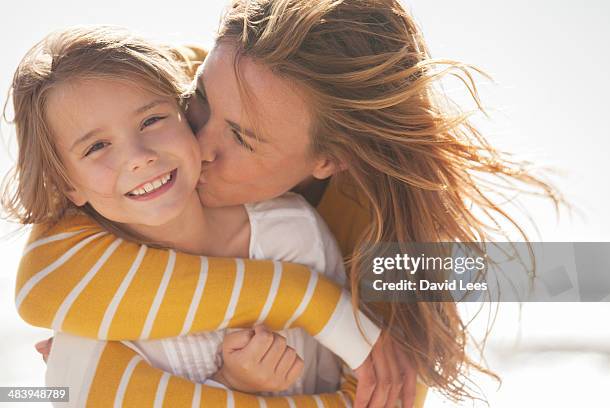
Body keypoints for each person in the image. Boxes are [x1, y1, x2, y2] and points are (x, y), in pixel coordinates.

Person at [8, 0, 560, 405]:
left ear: (330, 160)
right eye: (197, 102)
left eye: (242, 139)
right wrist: (308, 301)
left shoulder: (375, 240)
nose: (195, 144)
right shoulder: (146, 96)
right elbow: (46, 284)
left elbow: (385, 390)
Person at [5, 25, 391, 407]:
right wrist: (231, 383)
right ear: (68, 185)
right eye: (97, 146)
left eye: (151, 121)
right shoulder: (85, 292)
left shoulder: (292, 233)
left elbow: (353, 381)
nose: (139, 156)